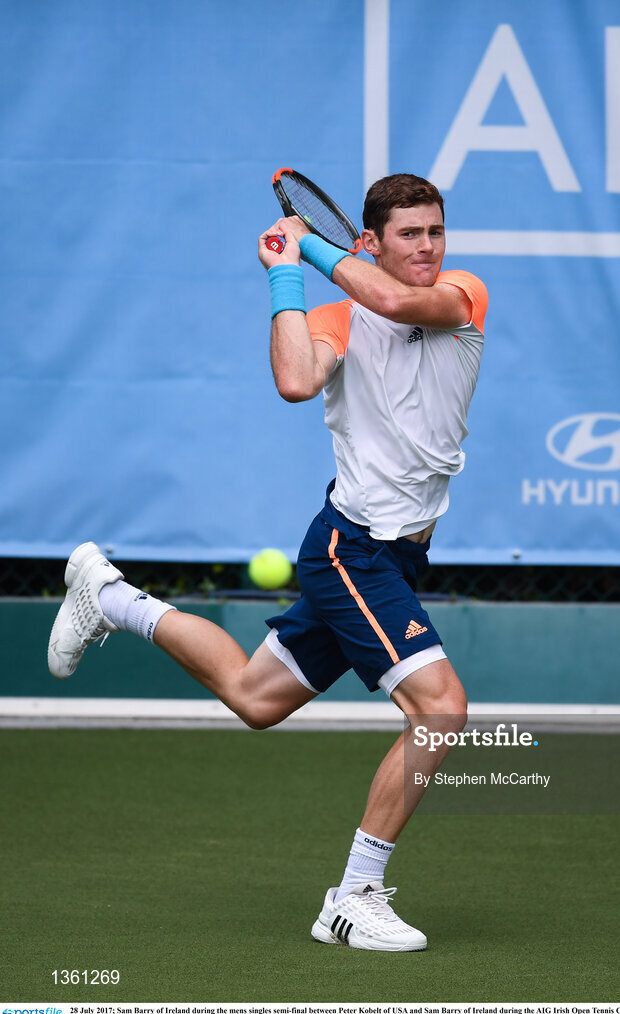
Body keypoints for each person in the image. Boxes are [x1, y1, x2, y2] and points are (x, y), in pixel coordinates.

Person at [47, 173, 488, 952]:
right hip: (351, 548)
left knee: (255, 697)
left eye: (435, 232)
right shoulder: (335, 316)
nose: (427, 248)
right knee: (441, 709)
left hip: (401, 554)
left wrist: (302, 246)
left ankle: (111, 598)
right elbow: (293, 381)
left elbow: (392, 302)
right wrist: (286, 275)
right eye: (409, 235)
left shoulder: (461, 295)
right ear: (371, 242)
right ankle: (353, 896)